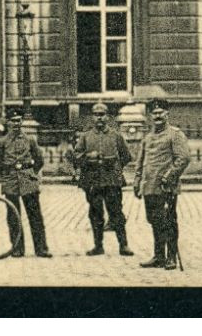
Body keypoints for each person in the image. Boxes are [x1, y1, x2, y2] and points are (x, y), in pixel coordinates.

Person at [131, 97, 190, 267]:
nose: (157, 116)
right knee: (154, 220)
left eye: (160, 112)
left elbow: (183, 158)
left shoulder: (175, 134)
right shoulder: (147, 138)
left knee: (168, 221)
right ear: (150, 116)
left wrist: (169, 176)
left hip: (166, 187)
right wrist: (137, 180)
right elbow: (141, 161)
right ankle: (159, 256)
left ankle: (171, 257)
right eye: (154, 113)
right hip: (149, 187)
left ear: (167, 114)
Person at [76, 101, 134, 258]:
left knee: (116, 213)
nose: (99, 118)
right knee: (95, 213)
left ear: (107, 117)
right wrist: (89, 158)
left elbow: (127, 156)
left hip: (112, 180)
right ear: (92, 117)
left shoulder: (116, 136)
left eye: (102, 115)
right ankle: (98, 246)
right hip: (92, 180)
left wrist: (115, 166)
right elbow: (76, 156)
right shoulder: (86, 136)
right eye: (96, 115)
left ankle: (124, 245)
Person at [0, 108, 49, 258]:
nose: (16, 123)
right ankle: (17, 248)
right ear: (8, 123)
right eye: (12, 121)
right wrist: (1, 178)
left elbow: (39, 160)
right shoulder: (2, 142)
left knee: (35, 215)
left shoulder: (30, 140)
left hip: (28, 180)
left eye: (18, 120)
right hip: (10, 181)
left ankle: (41, 248)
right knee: (13, 217)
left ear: (21, 122)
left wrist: (32, 174)